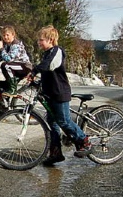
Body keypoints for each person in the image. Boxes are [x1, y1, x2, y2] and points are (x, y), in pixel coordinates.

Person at [26, 25, 91, 166]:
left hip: (60, 93)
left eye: (41, 40)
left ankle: (84, 141)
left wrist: (35, 70)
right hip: (51, 94)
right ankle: (55, 153)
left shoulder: (57, 51)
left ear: (50, 39)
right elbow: (47, 73)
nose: (38, 42)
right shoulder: (46, 53)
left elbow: (49, 66)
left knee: (64, 121)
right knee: (52, 124)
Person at [0, 25, 32, 120]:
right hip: (15, 68)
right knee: (3, 90)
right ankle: (1, 115)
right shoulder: (7, 46)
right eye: (4, 35)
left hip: (24, 67)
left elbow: (8, 58)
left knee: (5, 65)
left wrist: (1, 48)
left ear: (13, 35)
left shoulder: (16, 44)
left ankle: (12, 89)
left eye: (7, 35)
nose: (5, 37)